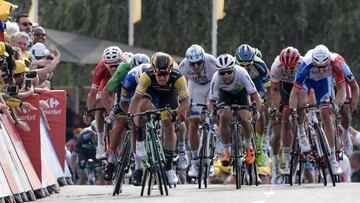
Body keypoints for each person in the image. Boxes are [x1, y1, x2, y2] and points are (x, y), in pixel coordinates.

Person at [128, 52, 190, 185]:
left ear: (170, 71)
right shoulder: (147, 75)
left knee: (169, 124)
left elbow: (186, 101)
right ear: (154, 71)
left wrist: (176, 112)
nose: (162, 77)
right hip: (151, 92)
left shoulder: (177, 76)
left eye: (165, 74)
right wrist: (131, 117)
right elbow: (135, 99)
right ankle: (140, 139)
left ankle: (168, 168)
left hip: (169, 95)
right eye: (159, 74)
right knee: (143, 106)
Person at [289, 44, 346, 175]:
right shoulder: (306, 65)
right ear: (313, 62)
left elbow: (342, 89)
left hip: (324, 83)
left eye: (324, 67)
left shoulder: (335, 63)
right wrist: (293, 110)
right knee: (302, 102)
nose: (321, 70)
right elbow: (294, 92)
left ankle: (332, 160)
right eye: (318, 67)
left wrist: (336, 104)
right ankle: (302, 133)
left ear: (328, 62)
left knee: (327, 116)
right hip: (306, 82)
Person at [101, 53, 150, 181]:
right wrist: (111, 111)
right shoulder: (123, 69)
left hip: (144, 93)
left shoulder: (150, 71)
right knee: (121, 122)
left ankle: (141, 160)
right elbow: (106, 92)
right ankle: (111, 160)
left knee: (142, 122)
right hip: (126, 93)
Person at [208, 54, 262, 167]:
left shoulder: (241, 73)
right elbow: (211, 102)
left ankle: (248, 146)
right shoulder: (215, 78)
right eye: (222, 72)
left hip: (241, 93)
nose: (226, 75)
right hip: (225, 95)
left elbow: (254, 94)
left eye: (229, 71)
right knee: (223, 116)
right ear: (218, 72)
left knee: (244, 118)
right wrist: (212, 114)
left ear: (234, 69)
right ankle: (227, 151)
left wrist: (257, 111)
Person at [178, 44, 217, 177]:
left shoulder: (211, 62)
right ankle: (195, 162)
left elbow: (220, 81)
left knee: (210, 116)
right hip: (195, 87)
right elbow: (178, 85)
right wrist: (184, 103)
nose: (196, 67)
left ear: (203, 60)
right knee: (193, 122)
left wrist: (213, 104)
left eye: (199, 64)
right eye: (192, 64)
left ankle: (211, 158)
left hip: (212, 84)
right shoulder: (183, 66)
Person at [234, 44, 270, 167]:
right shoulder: (232, 65)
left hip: (256, 84)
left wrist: (265, 102)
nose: (245, 67)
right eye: (242, 65)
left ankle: (259, 146)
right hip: (240, 85)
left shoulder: (260, 64)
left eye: (248, 65)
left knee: (262, 110)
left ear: (253, 60)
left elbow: (268, 87)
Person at [270, 47, 303, 181]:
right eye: (286, 68)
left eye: (291, 68)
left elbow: (309, 87)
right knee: (284, 116)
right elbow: (275, 89)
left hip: (300, 86)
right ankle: (286, 159)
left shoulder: (302, 64)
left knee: (303, 107)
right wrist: (277, 109)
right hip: (285, 87)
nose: (289, 71)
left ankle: (304, 131)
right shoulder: (276, 66)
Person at [86, 46, 122, 160]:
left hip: (122, 82)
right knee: (99, 102)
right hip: (106, 84)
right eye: (110, 66)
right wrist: (87, 111)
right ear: (105, 64)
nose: (113, 68)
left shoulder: (126, 65)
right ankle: (101, 143)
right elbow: (92, 93)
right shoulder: (100, 68)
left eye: (116, 65)